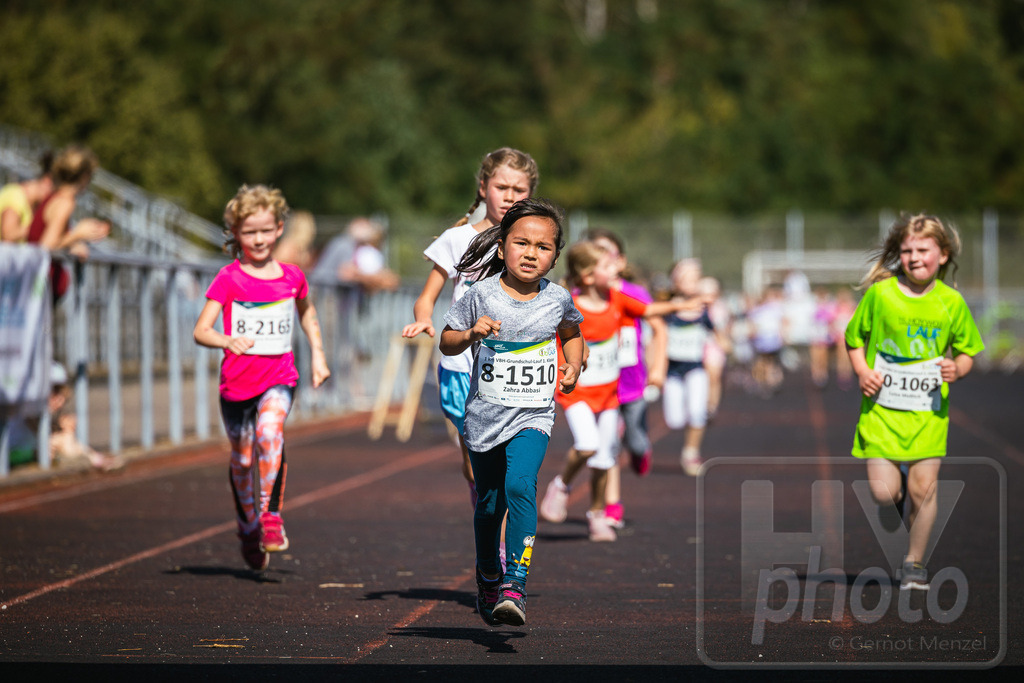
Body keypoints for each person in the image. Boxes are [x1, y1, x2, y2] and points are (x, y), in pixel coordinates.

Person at [439, 198, 584, 627]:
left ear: (555, 256)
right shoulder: (480, 294)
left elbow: (572, 331)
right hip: (485, 417)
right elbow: (447, 341)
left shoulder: (557, 299)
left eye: (543, 247)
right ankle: (487, 574)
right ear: (502, 248)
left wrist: (573, 365)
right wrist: (471, 333)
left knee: (521, 484)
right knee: (488, 505)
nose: (531, 252)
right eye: (521, 243)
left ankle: (515, 582)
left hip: (533, 415)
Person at [193, 184, 330, 572]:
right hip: (236, 383)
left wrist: (318, 355)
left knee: (271, 434)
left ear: (279, 228)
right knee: (242, 458)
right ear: (235, 233)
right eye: (249, 231)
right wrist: (226, 339)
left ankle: (271, 518)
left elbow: (306, 311)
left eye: (265, 230)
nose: (258, 239)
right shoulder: (229, 279)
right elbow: (200, 330)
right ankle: (247, 524)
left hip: (279, 376)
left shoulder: (291, 276)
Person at [845, 213, 983, 591]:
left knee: (926, 490)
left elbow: (968, 351)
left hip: (927, 414)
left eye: (923, 250)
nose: (914, 257)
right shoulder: (881, 295)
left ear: (943, 254)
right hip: (882, 413)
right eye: (906, 251)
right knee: (883, 493)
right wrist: (862, 371)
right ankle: (895, 491)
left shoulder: (951, 302)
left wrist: (958, 367)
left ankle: (914, 562)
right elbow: (854, 338)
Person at [402, 148, 538, 509]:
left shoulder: (529, 244)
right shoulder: (457, 239)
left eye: (519, 189)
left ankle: (502, 547)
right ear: (483, 187)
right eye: (502, 186)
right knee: (476, 464)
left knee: (503, 466)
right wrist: (423, 318)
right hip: (461, 366)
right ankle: (484, 507)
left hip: (506, 369)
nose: (510, 196)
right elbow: (427, 296)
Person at [540, 242, 700, 540]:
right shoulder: (568, 305)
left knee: (604, 459)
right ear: (587, 276)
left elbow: (649, 309)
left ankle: (597, 515)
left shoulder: (617, 299)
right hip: (577, 393)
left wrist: (679, 306)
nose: (616, 268)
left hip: (609, 395)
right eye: (607, 265)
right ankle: (561, 486)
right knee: (587, 444)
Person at [579, 229, 667, 531]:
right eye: (595, 253)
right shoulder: (580, 297)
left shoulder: (634, 294)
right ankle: (611, 505)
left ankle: (641, 452)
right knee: (608, 443)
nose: (603, 258)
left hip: (633, 383)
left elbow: (660, 328)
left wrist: (658, 368)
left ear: (621, 260)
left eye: (609, 253)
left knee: (636, 441)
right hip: (600, 386)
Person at [661, 259, 729, 476]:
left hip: (696, 368)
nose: (692, 282)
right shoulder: (667, 310)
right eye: (687, 277)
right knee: (675, 419)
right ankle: (688, 444)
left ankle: (691, 453)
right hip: (672, 371)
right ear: (676, 281)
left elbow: (716, 332)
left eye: (696, 278)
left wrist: (724, 342)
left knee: (698, 412)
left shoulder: (703, 309)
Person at [24, 145, 110, 303]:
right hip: (43, 288)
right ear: (84, 177)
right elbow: (45, 247)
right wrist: (78, 234)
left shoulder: (53, 197)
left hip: (38, 285)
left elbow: (49, 239)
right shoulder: (65, 202)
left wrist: (71, 244)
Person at [0, 150, 54, 243]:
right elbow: (8, 235)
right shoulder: (15, 196)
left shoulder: (34, 205)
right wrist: (38, 228)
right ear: (47, 182)